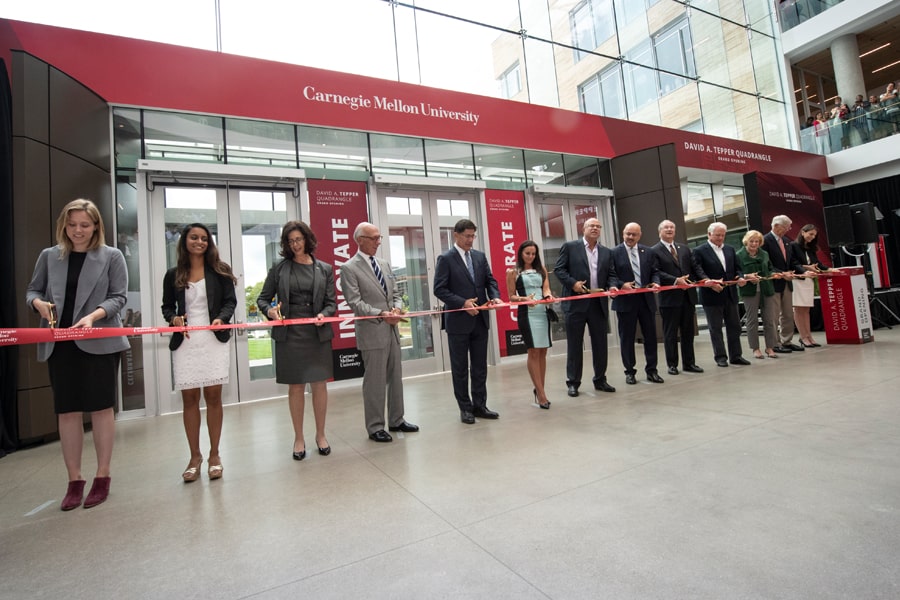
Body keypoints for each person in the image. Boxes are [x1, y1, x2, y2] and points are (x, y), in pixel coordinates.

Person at [25, 199, 130, 510]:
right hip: (60, 344)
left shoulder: (112, 256)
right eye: (72, 225)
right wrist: (38, 305)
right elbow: (32, 291)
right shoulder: (49, 256)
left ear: (96, 225)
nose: (78, 231)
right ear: (64, 225)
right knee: (67, 411)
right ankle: (74, 480)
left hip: (98, 341)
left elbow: (119, 297)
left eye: (85, 225)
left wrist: (93, 317)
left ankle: (102, 475)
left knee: (101, 409)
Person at [161, 223, 237, 482]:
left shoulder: (220, 271)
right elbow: (167, 307)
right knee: (189, 399)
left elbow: (230, 302)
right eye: (194, 237)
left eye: (204, 238)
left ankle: (215, 455)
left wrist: (221, 318)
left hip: (213, 339)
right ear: (184, 241)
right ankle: (195, 456)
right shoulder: (173, 274)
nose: (200, 242)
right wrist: (173, 319)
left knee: (214, 397)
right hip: (186, 342)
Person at [257, 221, 336, 460]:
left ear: (307, 240)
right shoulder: (279, 268)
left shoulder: (325, 269)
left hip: (317, 333)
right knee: (296, 386)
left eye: (298, 240)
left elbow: (331, 303)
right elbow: (263, 299)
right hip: (290, 335)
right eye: (290, 241)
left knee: (319, 384)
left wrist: (325, 314)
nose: (295, 245)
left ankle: (321, 435)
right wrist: (270, 311)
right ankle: (299, 438)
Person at [343, 222, 418, 441]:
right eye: (374, 238)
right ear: (360, 240)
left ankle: (397, 420)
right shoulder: (349, 268)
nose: (378, 242)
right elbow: (355, 302)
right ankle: (375, 426)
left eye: (379, 238)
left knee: (396, 377)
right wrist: (381, 314)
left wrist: (396, 308)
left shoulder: (384, 264)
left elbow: (395, 292)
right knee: (374, 381)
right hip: (372, 332)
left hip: (392, 330)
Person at [433, 219, 503, 424]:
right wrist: (462, 303)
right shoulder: (445, 258)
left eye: (473, 236)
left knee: (480, 366)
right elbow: (439, 289)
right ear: (456, 235)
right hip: (458, 322)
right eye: (467, 236)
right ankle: (465, 408)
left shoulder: (480, 257)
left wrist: (495, 296)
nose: (470, 240)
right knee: (460, 367)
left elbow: (490, 280)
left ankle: (480, 405)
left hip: (480, 320)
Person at [554, 217, 618, 396]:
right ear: (584, 229)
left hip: (598, 304)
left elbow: (611, 274)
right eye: (592, 226)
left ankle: (600, 379)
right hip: (576, 303)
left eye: (599, 226)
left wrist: (612, 286)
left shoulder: (606, 252)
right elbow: (559, 270)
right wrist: (573, 284)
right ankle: (573, 382)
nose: (595, 228)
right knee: (575, 345)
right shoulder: (570, 247)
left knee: (600, 344)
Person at [692, 222, 750, 368]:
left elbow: (737, 269)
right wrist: (708, 282)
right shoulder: (699, 250)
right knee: (715, 328)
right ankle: (720, 357)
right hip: (712, 296)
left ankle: (736, 356)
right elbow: (697, 270)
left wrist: (740, 277)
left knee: (734, 327)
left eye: (723, 235)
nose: (720, 238)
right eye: (717, 235)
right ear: (709, 234)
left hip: (730, 294)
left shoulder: (730, 249)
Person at [611, 222, 663, 385]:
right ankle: (629, 372)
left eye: (634, 234)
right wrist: (621, 285)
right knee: (627, 338)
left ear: (640, 235)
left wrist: (655, 283)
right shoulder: (613, 253)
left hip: (646, 300)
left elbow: (655, 271)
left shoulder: (648, 252)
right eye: (628, 234)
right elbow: (610, 275)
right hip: (625, 301)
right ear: (623, 233)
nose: (630, 237)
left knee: (650, 337)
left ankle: (652, 370)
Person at [650, 220, 703, 375]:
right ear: (659, 231)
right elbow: (655, 271)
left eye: (672, 227)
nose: (669, 229)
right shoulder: (654, 251)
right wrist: (675, 280)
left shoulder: (684, 249)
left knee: (688, 332)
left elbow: (695, 268)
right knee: (670, 333)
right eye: (666, 227)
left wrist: (705, 279)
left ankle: (689, 363)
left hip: (687, 297)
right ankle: (672, 364)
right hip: (669, 299)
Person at [506, 240, 555, 408]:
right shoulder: (513, 272)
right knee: (533, 351)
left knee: (542, 352)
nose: (531, 256)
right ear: (521, 253)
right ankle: (541, 394)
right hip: (527, 314)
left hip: (542, 312)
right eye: (527, 253)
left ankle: (539, 388)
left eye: (533, 253)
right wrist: (524, 299)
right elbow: (511, 296)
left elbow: (546, 289)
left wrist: (548, 296)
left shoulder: (542, 270)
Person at [790, 224, 836, 348]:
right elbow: (793, 263)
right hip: (798, 279)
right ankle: (803, 337)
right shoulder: (793, 246)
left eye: (814, 235)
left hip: (809, 280)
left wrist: (830, 269)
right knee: (799, 309)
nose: (812, 237)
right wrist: (805, 269)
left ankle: (809, 336)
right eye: (810, 234)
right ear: (803, 232)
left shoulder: (810, 248)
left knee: (806, 310)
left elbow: (818, 264)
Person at [736, 230, 780, 359]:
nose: (754, 244)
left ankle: (770, 347)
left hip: (767, 289)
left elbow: (770, 268)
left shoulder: (765, 254)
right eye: (752, 241)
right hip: (749, 291)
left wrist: (773, 274)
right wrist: (746, 277)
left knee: (769, 320)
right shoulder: (739, 255)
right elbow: (736, 273)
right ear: (746, 241)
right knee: (752, 320)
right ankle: (755, 348)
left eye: (757, 241)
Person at [763, 215, 803, 353]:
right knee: (773, 315)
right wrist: (781, 273)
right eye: (786, 227)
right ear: (776, 226)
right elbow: (766, 264)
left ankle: (787, 341)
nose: (788, 230)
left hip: (787, 282)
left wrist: (803, 271)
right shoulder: (764, 241)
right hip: (773, 283)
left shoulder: (786, 241)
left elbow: (791, 261)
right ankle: (774, 344)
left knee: (787, 314)